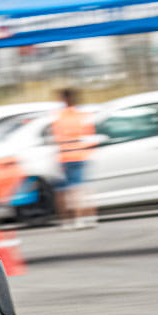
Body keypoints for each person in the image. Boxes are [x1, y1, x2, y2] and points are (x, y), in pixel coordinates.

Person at [50, 88, 98, 230]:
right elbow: (90, 136)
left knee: (69, 190)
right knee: (82, 188)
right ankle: (89, 218)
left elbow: (56, 138)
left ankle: (73, 220)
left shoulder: (59, 116)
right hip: (82, 155)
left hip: (66, 157)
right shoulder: (83, 115)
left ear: (64, 100)